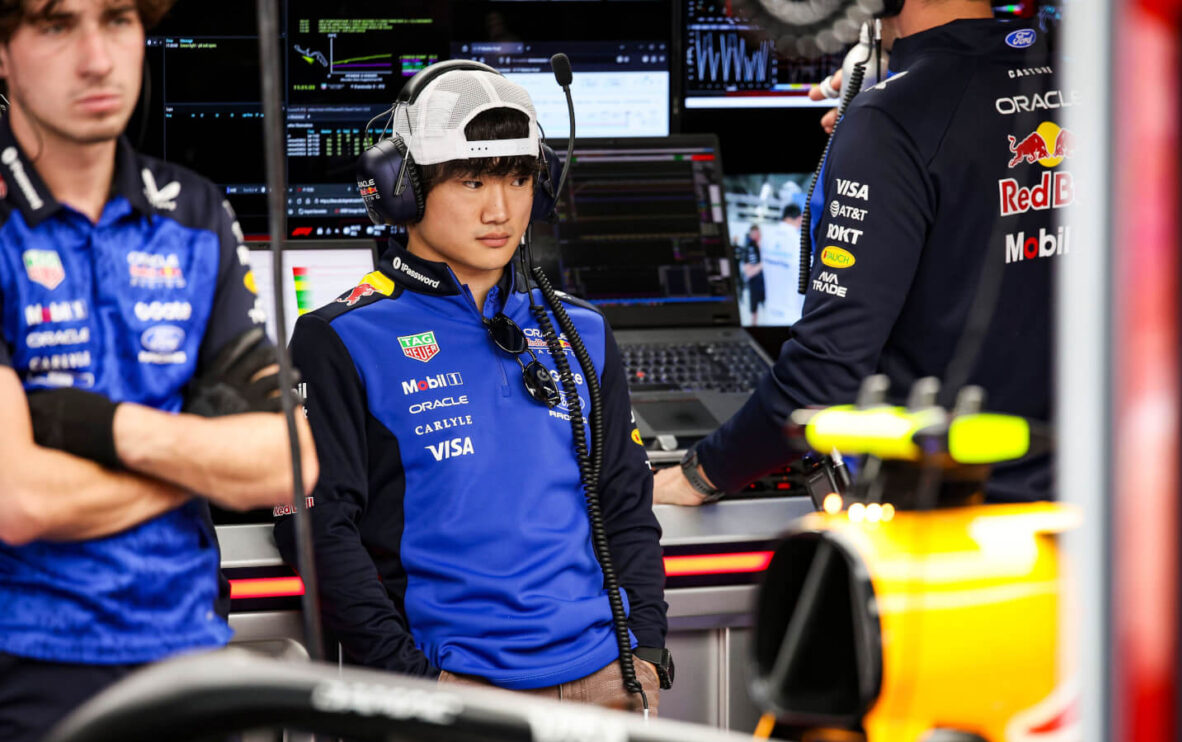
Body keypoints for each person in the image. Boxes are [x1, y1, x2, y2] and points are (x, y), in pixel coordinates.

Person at [273, 64, 669, 712]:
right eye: (472, 180)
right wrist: (414, 682)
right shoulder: (338, 338)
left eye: (518, 179)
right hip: (454, 695)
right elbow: (315, 532)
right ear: (403, 189)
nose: (500, 210)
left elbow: (626, 504)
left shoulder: (583, 331)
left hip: (610, 681)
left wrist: (646, 653)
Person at [0, 1, 317, 740]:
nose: (97, 59)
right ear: (4, 52)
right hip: (29, 668)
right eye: (56, 24)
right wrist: (206, 460)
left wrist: (103, 428)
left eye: (117, 19)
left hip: (191, 652)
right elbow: (20, 499)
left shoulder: (194, 213)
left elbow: (290, 461)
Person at [654, 0, 1062, 505]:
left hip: (950, 514)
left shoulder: (893, 118)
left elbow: (823, 373)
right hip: (1105, 506)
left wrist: (701, 473)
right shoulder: (1096, 76)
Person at [756, 203, 805, 326]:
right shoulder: (799, 242)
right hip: (791, 313)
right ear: (800, 218)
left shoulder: (766, 238)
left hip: (770, 310)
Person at [739, 224, 765, 324]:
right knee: (754, 312)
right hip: (754, 284)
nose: (757, 236)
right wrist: (763, 265)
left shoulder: (763, 246)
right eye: (755, 234)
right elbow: (749, 273)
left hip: (766, 285)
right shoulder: (748, 249)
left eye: (758, 234)